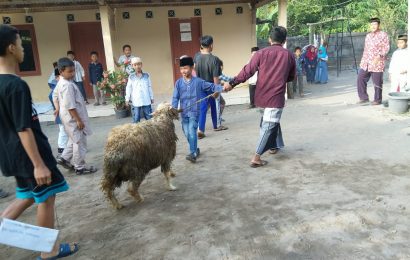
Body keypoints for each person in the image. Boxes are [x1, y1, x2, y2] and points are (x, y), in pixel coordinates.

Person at [0, 24, 78, 259]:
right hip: (30, 157)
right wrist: (38, 164)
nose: (24, 49)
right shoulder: (16, 85)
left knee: (25, 197)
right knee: (45, 199)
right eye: (21, 45)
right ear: (12, 48)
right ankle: (49, 251)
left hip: (12, 155)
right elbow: (24, 128)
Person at [223, 26, 295, 168]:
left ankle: (274, 145)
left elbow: (247, 71)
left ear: (270, 39)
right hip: (276, 98)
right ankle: (256, 157)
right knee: (269, 124)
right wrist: (280, 78)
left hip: (261, 97)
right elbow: (291, 77)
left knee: (271, 121)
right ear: (285, 40)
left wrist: (232, 83)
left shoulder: (260, 54)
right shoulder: (289, 55)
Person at [172, 56, 225, 163]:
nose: (183, 71)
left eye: (186, 68)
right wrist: (173, 109)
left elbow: (211, 87)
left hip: (194, 112)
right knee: (186, 132)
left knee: (192, 131)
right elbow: (175, 97)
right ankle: (195, 149)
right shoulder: (178, 83)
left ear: (192, 68)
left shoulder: (198, 82)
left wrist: (222, 88)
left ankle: (193, 153)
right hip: (184, 112)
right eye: (181, 68)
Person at [53, 57, 97, 175]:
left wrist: (57, 108)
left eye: (74, 71)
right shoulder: (67, 85)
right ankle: (80, 167)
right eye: (70, 72)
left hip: (67, 117)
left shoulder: (62, 82)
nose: (72, 74)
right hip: (73, 117)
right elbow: (71, 106)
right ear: (61, 71)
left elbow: (55, 95)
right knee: (79, 141)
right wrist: (78, 120)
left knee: (73, 139)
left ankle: (64, 158)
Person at [195, 35, 228, 139]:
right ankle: (217, 125)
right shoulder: (214, 60)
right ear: (211, 45)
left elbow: (194, 71)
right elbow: (216, 78)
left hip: (200, 86)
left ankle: (200, 129)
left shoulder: (196, 56)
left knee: (203, 107)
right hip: (211, 86)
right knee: (215, 105)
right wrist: (217, 90)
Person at [357, 17, 390, 105]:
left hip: (377, 62)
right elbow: (366, 49)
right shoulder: (368, 36)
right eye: (371, 24)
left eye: (375, 24)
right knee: (360, 77)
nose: (373, 26)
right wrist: (362, 61)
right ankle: (363, 98)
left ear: (378, 25)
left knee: (377, 82)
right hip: (366, 62)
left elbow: (386, 48)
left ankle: (377, 100)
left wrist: (378, 57)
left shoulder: (383, 34)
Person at [125, 57, 154, 123]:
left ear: (141, 64)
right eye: (135, 65)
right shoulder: (131, 77)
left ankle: (151, 132)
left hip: (146, 100)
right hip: (136, 101)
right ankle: (137, 132)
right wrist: (127, 99)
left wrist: (151, 97)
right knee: (136, 118)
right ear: (132, 66)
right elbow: (128, 88)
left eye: (139, 64)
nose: (137, 66)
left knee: (149, 118)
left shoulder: (147, 75)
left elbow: (149, 87)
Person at [51, 68, 68, 159]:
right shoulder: (56, 86)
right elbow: (52, 97)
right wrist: (57, 107)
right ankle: (62, 149)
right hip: (60, 112)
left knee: (64, 131)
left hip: (61, 111)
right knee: (63, 131)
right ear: (57, 76)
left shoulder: (58, 85)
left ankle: (64, 148)